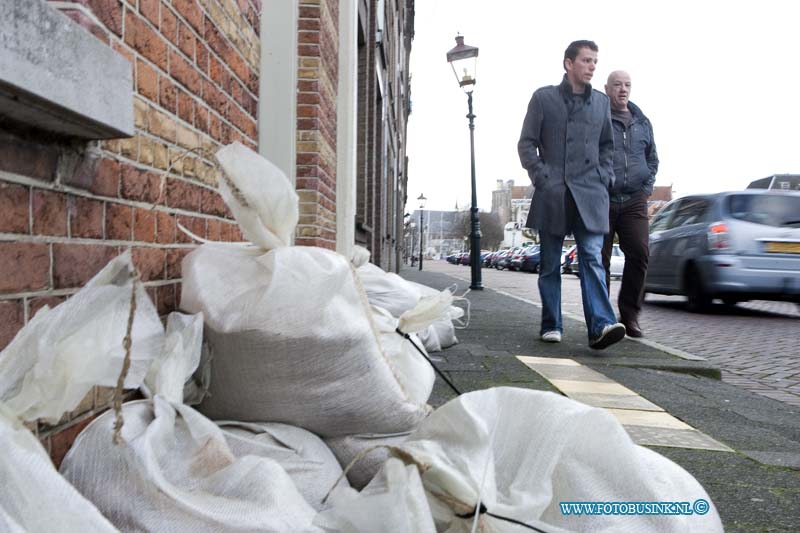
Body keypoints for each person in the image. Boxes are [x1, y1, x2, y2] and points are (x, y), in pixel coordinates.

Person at [517, 40, 625, 350]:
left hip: (591, 193)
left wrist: (604, 176)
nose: (592, 66)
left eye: (595, 61)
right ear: (568, 63)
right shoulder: (543, 98)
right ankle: (552, 323)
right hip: (554, 192)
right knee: (550, 262)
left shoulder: (602, 103)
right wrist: (543, 176)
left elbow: (607, 146)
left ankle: (601, 326)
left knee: (591, 258)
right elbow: (526, 143)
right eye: (586, 60)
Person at [602, 71, 659, 338]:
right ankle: (601, 317)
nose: (622, 89)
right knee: (598, 259)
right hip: (602, 198)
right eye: (617, 85)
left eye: (627, 85)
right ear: (607, 88)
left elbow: (653, 160)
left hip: (634, 199)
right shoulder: (598, 118)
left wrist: (646, 190)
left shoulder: (642, 122)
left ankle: (630, 314)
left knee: (639, 253)